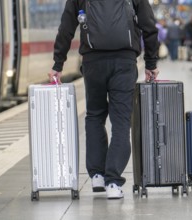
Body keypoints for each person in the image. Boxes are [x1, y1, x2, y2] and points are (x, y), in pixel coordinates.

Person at [48, 0, 159, 199]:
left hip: (93, 62)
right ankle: (113, 183)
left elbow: (66, 27)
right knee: (121, 122)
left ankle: (97, 175)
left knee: (94, 116)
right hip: (124, 62)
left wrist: (58, 63)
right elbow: (149, 26)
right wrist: (151, 62)